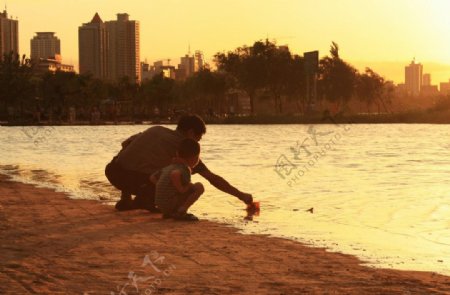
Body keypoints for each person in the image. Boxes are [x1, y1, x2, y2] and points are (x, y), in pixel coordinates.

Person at [105, 114, 253, 211]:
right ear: (190, 133)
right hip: (136, 181)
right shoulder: (184, 148)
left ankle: (127, 199)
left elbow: (126, 144)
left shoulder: (156, 129)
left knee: (138, 161)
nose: (198, 142)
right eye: (198, 138)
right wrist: (241, 195)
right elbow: (212, 179)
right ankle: (146, 200)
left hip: (113, 172)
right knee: (179, 177)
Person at [151, 138, 204, 221]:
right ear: (194, 158)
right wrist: (181, 189)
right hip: (170, 203)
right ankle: (181, 211)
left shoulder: (169, 167)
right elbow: (175, 174)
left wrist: (163, 186)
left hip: (161, 205)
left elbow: (153, 177)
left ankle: (170, 213)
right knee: (199, 187)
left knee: (186, 187)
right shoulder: (185, 168)